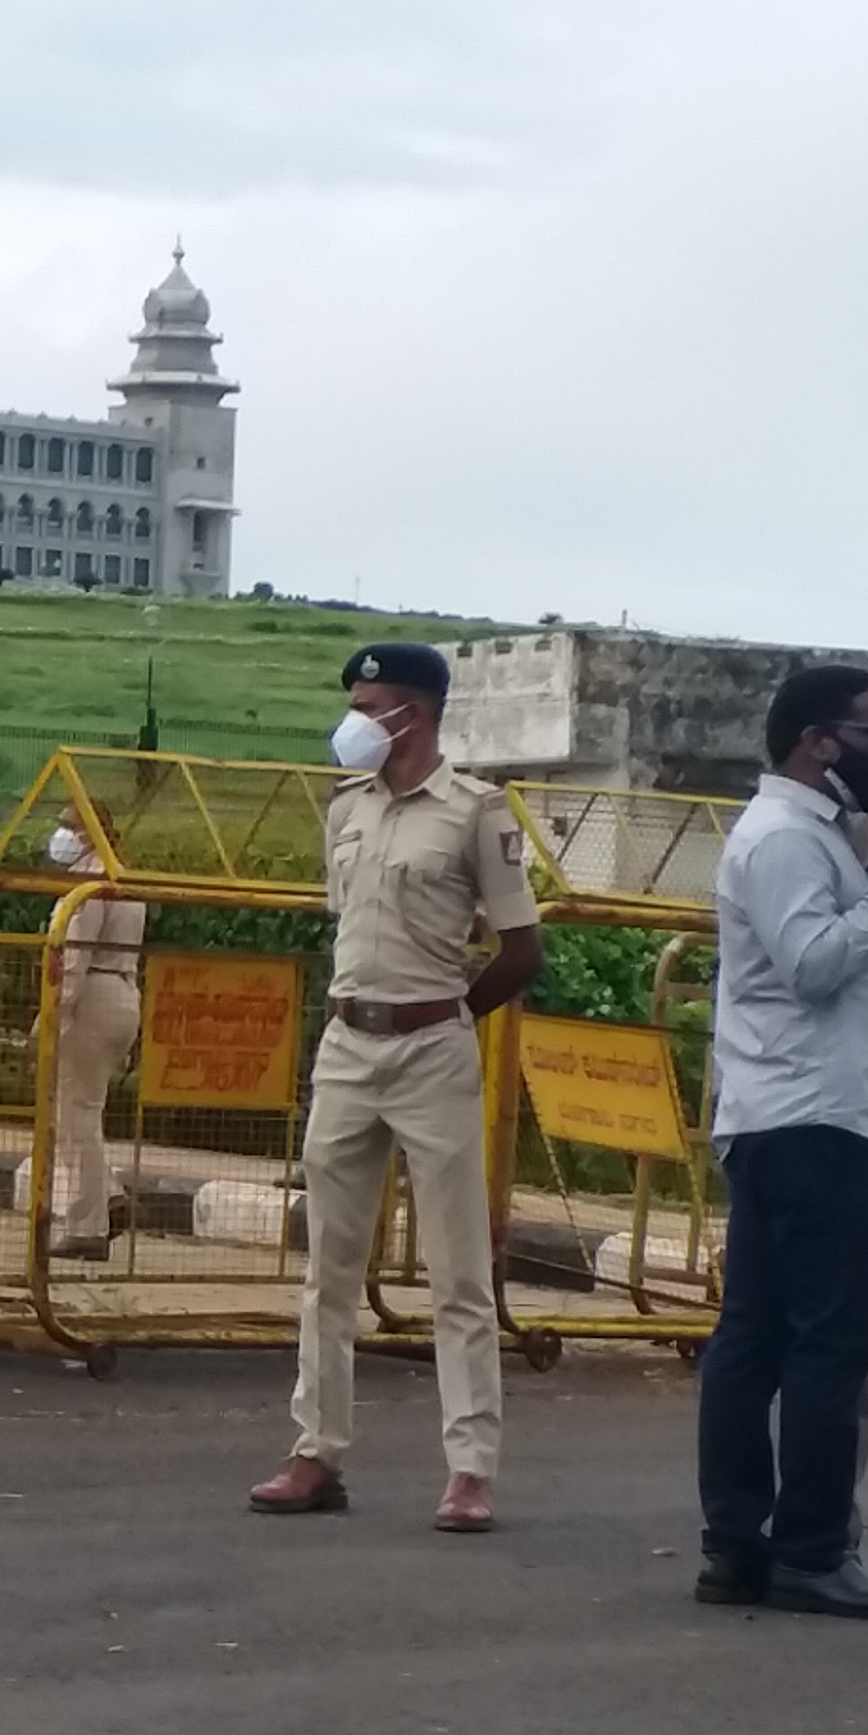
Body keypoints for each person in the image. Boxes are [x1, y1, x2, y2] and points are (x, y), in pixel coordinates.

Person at [252, 643, 542, 1533]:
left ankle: (470, 1468)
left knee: (457, 1271)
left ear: (409, 714)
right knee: (328, 1266)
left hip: (431, 1049)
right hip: (348, 1043)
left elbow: (520, 950)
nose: (352, 718)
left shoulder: (473, 812)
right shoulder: (347, 810)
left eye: (367, 702)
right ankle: (316, 1450)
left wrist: (449, 1014)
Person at [693, 663, 868, 1618]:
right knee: (821, 1344)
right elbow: (811, 967)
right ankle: (805, 1547)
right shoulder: (780, 841)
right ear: (818, 742)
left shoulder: (812, 833)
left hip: (796, 1113)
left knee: (757, 1338)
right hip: (814, 1117)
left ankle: (739, 1547)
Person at [40, 818, 146, 1263]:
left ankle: (87, 1226)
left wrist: (52, 1014)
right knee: (85, 1110)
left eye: (68, 824)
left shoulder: (90, 881)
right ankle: (110, 1196)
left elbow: (77, 954)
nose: (58, 833)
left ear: (89, 831)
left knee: (73, 1115)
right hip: (123, 992)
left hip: (92, 996)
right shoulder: (125, 876)